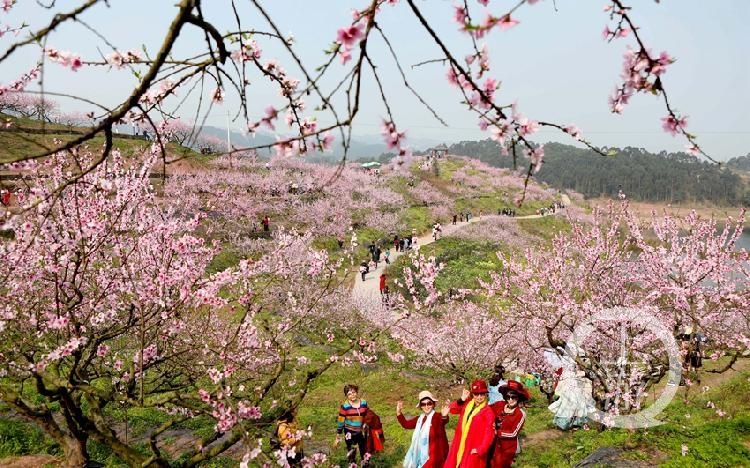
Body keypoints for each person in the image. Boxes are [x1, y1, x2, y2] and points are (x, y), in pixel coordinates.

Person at [444, 380, 495, 468]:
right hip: (459, 444)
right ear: (473, 394)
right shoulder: (467, 404)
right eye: (476, 394)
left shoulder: (488, 412)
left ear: (486, 394)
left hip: (473, 447)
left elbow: (489, 434)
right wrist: (461, 399)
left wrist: (480, 450)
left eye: (482, 394)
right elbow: (452, 409)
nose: (479, 397)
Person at [397, 391, 450, 468]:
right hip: (422, 456)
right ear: (420, 406)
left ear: (433, 404)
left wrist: (444, 416)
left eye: (429, 403)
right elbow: (406, 424)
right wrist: (398, 412)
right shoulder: (419, 419)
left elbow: (443, 420)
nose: (426, 406)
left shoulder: (437, 417)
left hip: (436, 455)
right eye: (423, 404)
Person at [489, 380, 530, 468]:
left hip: (506, 448)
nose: (510, 400)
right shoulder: (499, 405)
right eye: (508, 397)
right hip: (492, 443)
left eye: (513, 397)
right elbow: (486, 410)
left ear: (518, 397)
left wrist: (497, 432)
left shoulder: (520, 414)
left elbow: (513, 433)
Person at [335, 384, 370, 465]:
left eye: (353, 392)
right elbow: (341, 420)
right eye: (349, 394)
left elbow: (367, 414)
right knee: (351, 451)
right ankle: (352, 464)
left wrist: (368, 424)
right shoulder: (345, 406)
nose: (352, 395)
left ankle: (365, 465)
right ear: (346, 396)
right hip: (349, 432)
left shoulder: (363, 402)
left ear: (356, 392)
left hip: (362, 431)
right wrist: (338, 434)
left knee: (364, 450)